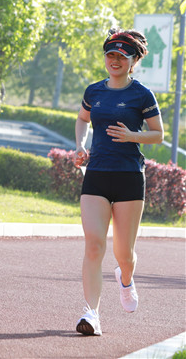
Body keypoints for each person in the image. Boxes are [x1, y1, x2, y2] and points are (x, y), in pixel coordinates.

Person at [73, 29, 163, 336]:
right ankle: (92, 313)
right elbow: (82, 119)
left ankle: (125, 278)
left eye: (121, 57)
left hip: (129, 177)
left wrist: (131, 136)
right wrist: (80, 145)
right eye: (110, 55)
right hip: (97, 174)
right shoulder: (93, 91)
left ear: (133, 61)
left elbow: (158, 134)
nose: (114, 61)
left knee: (124, 253)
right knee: (94, 245)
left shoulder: (142, 94)